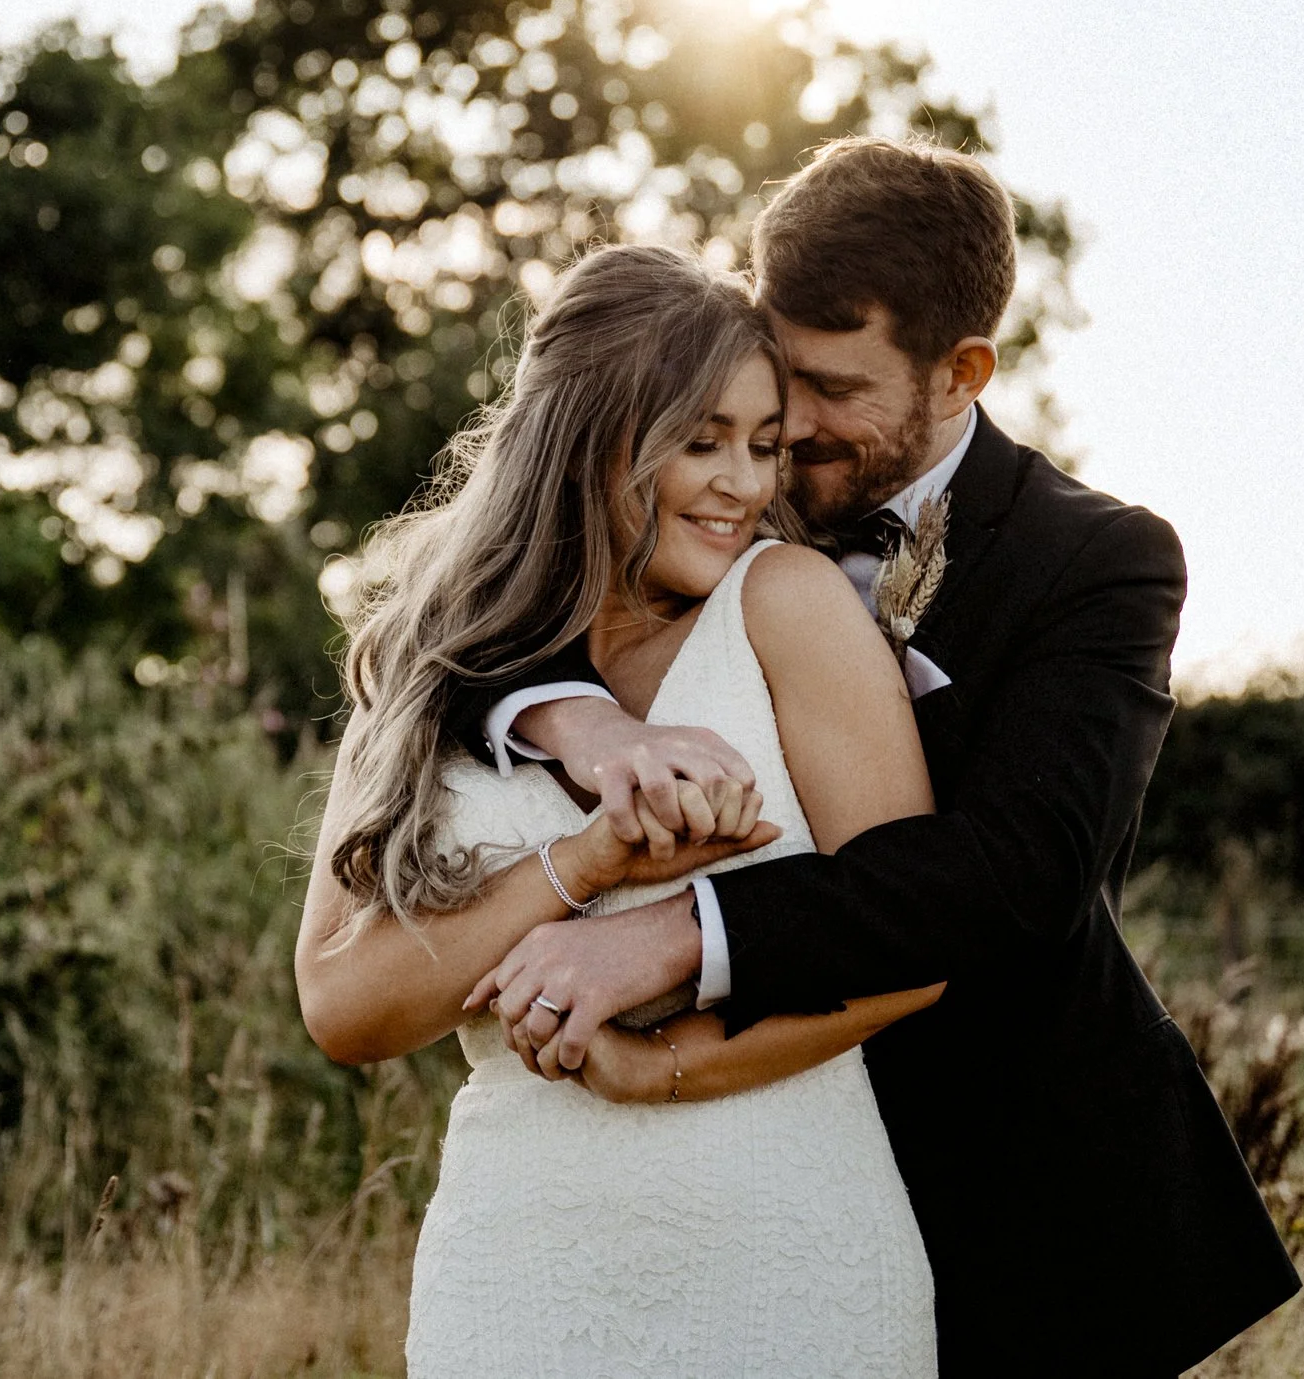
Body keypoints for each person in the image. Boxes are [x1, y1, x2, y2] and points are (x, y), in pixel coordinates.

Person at [462, 138, 1303, 1377]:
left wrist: (679, 930)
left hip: (1013, 1177)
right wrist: (577, 718)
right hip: (752, 1167)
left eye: (833, 386)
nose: (784, 430)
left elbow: (1019, 871)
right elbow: (479, 609)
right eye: (773, 376)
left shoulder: (1099, 560)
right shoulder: (727, 475)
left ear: (962, 371)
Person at [296, 244, 943, 1377]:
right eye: (701, 442)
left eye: (765, 445)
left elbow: (918, 943)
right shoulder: (428, 668)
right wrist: (584, 863)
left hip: (791, 1252)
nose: (745, 484)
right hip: (520, 1264)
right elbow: (347, 1009)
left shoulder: (785, 605)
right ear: (586, 437)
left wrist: (670, 1067)